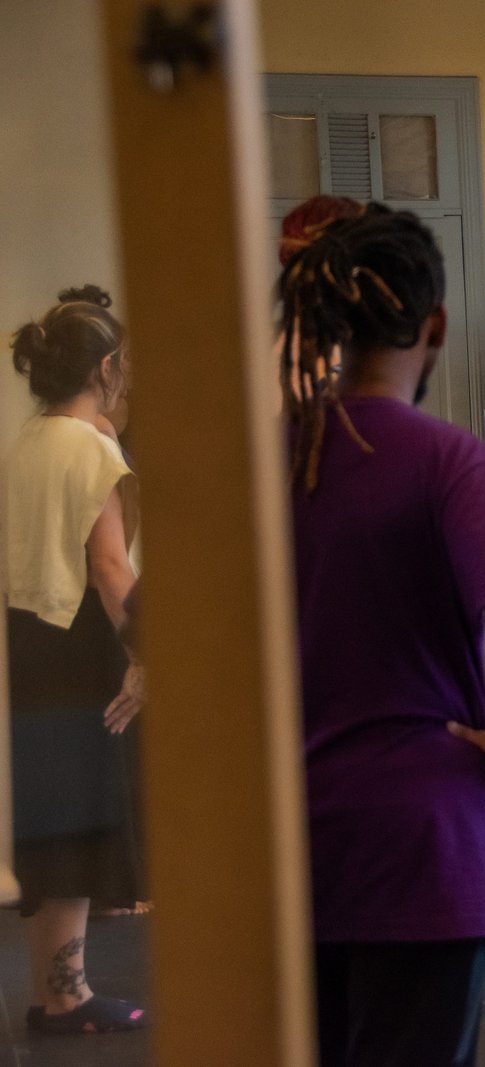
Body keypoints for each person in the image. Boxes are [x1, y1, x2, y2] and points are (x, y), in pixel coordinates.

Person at [278, 204, 485, 1067]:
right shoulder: (449, 460)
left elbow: (151, 613)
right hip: (427, 843)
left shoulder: (269, 457)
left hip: (291, 841)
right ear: (433, 324)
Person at [5, 284, 148, 1034]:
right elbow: (109, 567)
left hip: (27, 639)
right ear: (106, 366)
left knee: (47, 817)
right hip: (79, 640)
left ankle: (53, 990)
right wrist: (150, 649)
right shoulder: (90, 445)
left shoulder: (27, 441)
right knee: (78, 817)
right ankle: (66, 996)